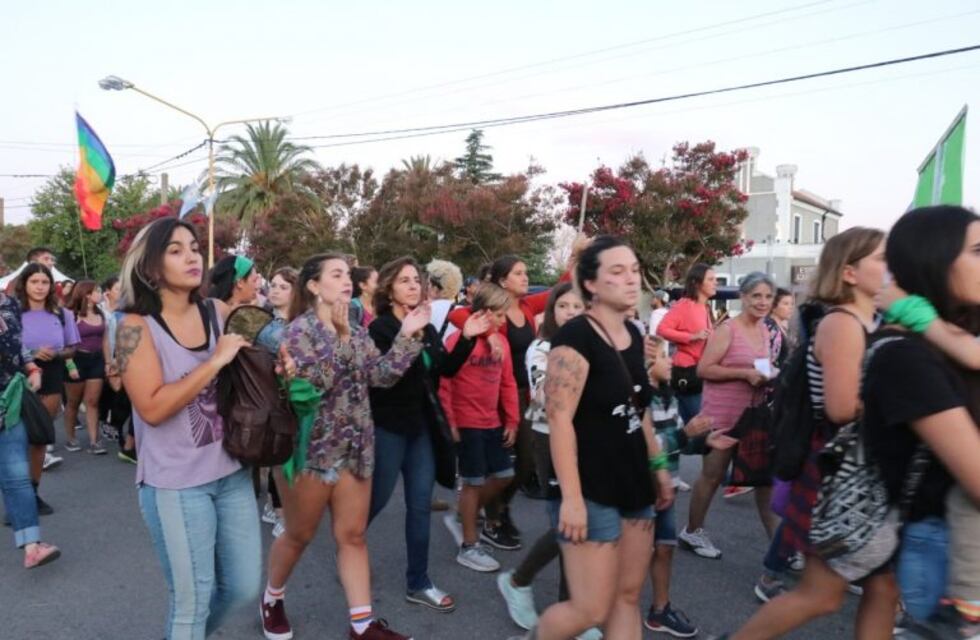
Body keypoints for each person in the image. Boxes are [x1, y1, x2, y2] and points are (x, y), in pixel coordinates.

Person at [721, 227, 893, 639]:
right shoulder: (842, 323)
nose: (891, 267)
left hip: (857, 467)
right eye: (881, 259)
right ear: (849, 272)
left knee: (883, 590)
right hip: (840, 467)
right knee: (823, 594)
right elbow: (839, 407)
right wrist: (904, 401)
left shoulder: (868, 319)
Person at [263, 253, 429, 640]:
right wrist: (339, 338)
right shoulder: (295, 332)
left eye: (347, 275)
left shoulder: (357, 329)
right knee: (299, 535)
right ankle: (272, 598)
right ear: (314, 286)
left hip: (355, 448)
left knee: (353, 536)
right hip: (313, 453)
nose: (346, 281)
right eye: (336, 275)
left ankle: (362, 625)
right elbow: (312, 388)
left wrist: (409, 336)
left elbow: (381, 376)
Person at [517, 236, 674, 640]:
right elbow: (560, 420)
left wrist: (658, 469)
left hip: (634, 481)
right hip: (589, 486)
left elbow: (638, 412)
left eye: (635, 270)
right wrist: (570, 499)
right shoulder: (574, 338)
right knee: (590, 608)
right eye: (617, 271)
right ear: (590, 284)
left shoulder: (635, 336)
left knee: (626, 597)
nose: (631, 279)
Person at [116, 217, 261, 639]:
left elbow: (251, 371)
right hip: (176, 485)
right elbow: (152, 408)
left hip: (233, 472)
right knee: (192, 602)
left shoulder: (218, 311)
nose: (192, 256)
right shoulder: (134, 328)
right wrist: (215, 361)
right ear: (150, 267)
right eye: (175, 250)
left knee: (241, 587)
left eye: (194, 247)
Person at [368, 257, 491, 611]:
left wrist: (466, 339)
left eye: (416, 280)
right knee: (374, 503)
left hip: (420, 431)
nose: (413, 285)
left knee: (420, 507)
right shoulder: (381, 329)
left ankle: (418, 582)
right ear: (389, 288)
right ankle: (350, 551)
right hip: (389, 429)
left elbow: (443, 370)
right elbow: (383, 383)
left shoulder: (428, 327)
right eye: (404, 280)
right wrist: (404, 337)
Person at [497, 282, 599, 637]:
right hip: (548, 437)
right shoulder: (541, 348)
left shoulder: (595, 346)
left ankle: (563, 607)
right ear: (551, 312)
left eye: (578, 307)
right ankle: (527, 585)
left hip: (587, 439)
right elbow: (545, 395)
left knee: (581, 526)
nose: (571, 312)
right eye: (564, 306)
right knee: (569, 526)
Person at [677, 272, 780, 560]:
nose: (762, 302)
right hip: (722, 414)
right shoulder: (728, 329)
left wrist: (768, 375)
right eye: (756, 296)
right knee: (711, 476)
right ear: (743, 297)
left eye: (768, 297)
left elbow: (762, 364)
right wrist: (744, 374)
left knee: (763, 481)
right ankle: (692, 531)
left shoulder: (764, 330)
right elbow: (703, 369)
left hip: (753, 416)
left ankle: (779, 544)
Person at [644, 335, 731, 637]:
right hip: (644, 488)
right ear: (646, 365)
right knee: (633, 555)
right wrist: (685, 435)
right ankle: (605, 612)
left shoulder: (667, 396)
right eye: (665, 357)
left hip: (664, 486)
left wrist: (704, 440)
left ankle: (659, 610)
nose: (672, 362)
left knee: (664, 548)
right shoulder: (640, 401)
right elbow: (646, 446)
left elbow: (676, 443)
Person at [440, 282, 520, 569]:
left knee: (504, 474)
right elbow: (445, 383)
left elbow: (508, 382)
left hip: (492, 422)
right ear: (486, 313)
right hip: (466, 422)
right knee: (473, 481)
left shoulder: (502, 342)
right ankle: (469, 545)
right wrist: (451, 422)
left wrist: (512, 419)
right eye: (499, 315)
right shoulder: (461, 340)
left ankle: (465, 513)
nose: (503, 320)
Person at [0, 287, 61, 568]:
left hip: (8, 401)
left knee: (16, 476)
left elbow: (18, 343)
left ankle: (32, 546)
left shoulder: (9, 302)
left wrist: (32, 367)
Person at [16, 263, 81, 513]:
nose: (40, 287)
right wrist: (31, 354)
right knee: (16, 442)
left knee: (40, 439)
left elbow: (72, 348)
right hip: (17, 377)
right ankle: (16, 497)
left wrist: (55, 354)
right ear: (25, 283)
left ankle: (33, 493)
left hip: (52, 376)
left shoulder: (60, 314)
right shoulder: (11, 312)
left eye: (44, 282)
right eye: (35, 282)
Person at [256, 266, 297, 538]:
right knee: (279, 454)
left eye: (283, 287)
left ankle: (278, 506)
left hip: (297, 398)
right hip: (272, 397)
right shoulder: (266, 326)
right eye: (274, 285)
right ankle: (279, 510)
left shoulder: (303, 324)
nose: (275, 290)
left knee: (286, 454)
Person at [657, 264, 717, 424]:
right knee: (698, 425)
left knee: (696, 424)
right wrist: (691, 337)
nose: (715, 283)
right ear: (697, 283)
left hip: (700, 372)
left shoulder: (704, 307)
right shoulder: (685, 305)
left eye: (715, 279)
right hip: (687, 372)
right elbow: (662, 329)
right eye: (711, 279)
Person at [61, 280, 108, 455]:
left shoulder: (100, 313)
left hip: (96, 359)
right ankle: (71, 437)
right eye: (97, 290)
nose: (100, 293)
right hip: (76, 359)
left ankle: (95, 441)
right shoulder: (71, 315)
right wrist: (70, 364)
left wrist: (108, 362)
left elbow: (105, 339)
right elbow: (64, 342)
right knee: (73, 402)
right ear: (87, 294)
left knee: (92, 402)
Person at [425, 258, 463, 339]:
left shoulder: (427, 310)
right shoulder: (462, 311)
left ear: (435, 288)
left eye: (428, 283)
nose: (426, 287)